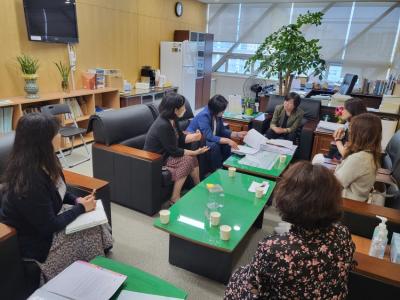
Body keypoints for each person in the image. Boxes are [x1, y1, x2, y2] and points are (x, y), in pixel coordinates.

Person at [0, 113, 112, 283]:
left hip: (48, 217)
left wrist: (76, 201)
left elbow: (59, 191)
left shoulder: (48, 160)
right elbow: (49, 226)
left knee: (94, 219)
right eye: (56, 133)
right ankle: (86, 279)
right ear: (42, 142)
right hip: (36, 240)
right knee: (89, 230)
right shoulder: (29, 180)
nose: (60, 135)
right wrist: (81, 209)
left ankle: (93, 268)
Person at [225, 161, 355, 300]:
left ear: (288, 199)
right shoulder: (343, 233)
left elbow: (253, 286)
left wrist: (238, 276)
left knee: (238, 277)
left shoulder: (274, 248)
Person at [144, 93, 209, 203]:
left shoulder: (173, 120)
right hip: (157, 159)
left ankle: (198, 186)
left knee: (192, 157)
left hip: (168, 153)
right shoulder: (163, 125)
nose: (185, 109)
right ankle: (174, 197)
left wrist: (194, 137)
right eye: (183, 107)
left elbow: (180, 138)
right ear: (175, 110)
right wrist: (194, 152)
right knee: (188, 159)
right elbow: (174, 151)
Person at [187, 95, 247, 171]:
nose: (223, 112)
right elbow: (209, 136)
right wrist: (229, 140)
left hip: (206, 137)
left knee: (226, 144)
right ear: (215, 109)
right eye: (222, 111)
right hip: (196, 140)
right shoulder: (204, 115)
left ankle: (227, 166)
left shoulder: (217, 114)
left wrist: (236, 134)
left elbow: (222, 130)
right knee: (214, 146)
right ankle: (218, 170)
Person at [334, 113, 382, 201]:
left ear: (359, 134)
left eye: (351, 129)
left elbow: (335, 184)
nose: (349, 132)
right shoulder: (368, 154)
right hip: (351, 199)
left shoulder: (359, 159)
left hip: (345, 203)